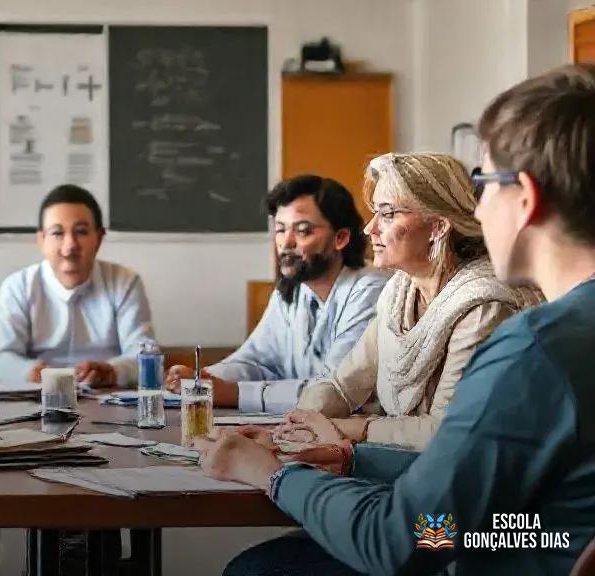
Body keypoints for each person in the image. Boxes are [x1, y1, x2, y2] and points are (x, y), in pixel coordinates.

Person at [197, 64, 595, 575]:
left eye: (483, 181)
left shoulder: (533, 347)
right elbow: (501, 514)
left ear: (525, 197)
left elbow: (403, 540)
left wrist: (274, 476)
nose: (476, 205)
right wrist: (352, 460)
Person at [276, 153, 542, 451]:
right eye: (374, 212)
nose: (369, 229)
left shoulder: (484, 306)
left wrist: (347, 427)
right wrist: (300, 420)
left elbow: (446, 431)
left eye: (388, 214)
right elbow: (341, 385)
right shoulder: (398, 293)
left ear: (438, 227)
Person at [166, 175, 389, 411]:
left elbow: (333, 391)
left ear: (341, 238)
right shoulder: (291, 289)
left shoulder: (371, 289)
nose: (286, 242)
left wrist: (233, 393)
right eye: (281, 230)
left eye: (303, 231)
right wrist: (202, 378)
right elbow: (255, 360)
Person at [0, 184, 154, 387]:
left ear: (98, 239)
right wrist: (31, 372)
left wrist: (111, 371)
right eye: (57, 233)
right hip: (38, 399)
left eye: (81, 232)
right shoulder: (17, 287)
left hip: (106, 397)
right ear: (41, 240)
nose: (70, 245)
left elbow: (144, 354)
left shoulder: (125, 282)